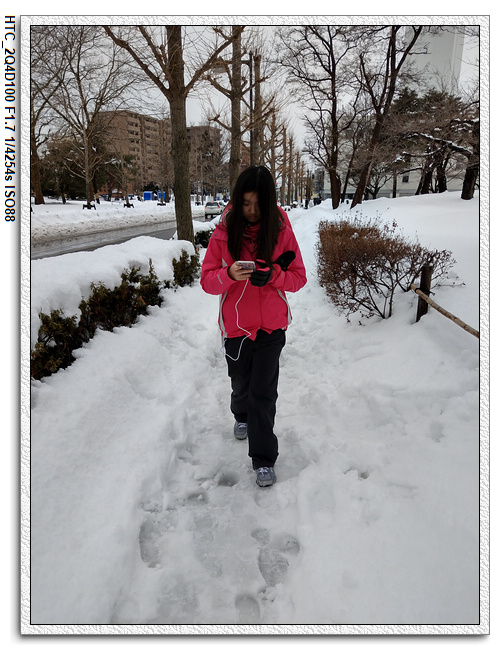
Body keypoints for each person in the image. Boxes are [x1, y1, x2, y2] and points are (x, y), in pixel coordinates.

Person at [200, 165, 307, 487]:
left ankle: (263, 459)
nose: (251, 211)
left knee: (263, 393)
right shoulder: (223, 233)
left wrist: (274, 275)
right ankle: (240, 414)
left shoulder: (281, 231)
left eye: (258, 205)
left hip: (271, 328)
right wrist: (228, 275)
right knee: (241, 384)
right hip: (236, 328)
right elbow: (207, 281)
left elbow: (298, 278)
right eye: (245, 203)